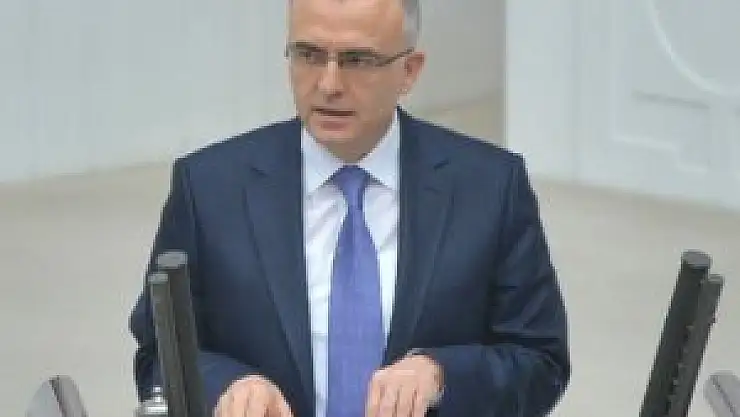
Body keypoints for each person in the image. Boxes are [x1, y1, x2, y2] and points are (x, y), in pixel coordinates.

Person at [128, 0, 571, 415]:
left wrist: (442, 375)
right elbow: (157, 355)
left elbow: (541, 362)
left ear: (409, 71)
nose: (329, 84)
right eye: (308, 55)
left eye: (358, 60)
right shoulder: (208, 188)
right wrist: (227, 385)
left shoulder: (490, 188)